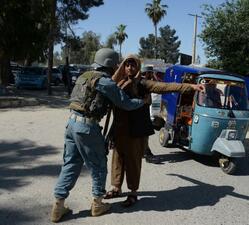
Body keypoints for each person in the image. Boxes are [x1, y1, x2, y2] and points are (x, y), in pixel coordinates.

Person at [50, 48, 146, 223]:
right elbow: (125, 103)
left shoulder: (83, 76)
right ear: (109, 64)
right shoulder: (104, 82)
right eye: (115, 65)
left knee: (71, 163)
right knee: (99, 165)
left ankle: (58, 206)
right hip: (87, 127)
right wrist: (142, 101)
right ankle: (97, 204)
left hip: (71, 124)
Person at [104, 55, 203, 207]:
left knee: (133, 163)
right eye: (127, 65)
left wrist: (190, 87)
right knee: (117, 161)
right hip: (119, 131)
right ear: (123, 67)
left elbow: (164, 87)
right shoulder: (117, 83)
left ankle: (133, 193)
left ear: (138, 68)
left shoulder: (143, 83)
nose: (130, 68)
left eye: (133, 65)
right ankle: (116, 187)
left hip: (135, 132)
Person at [140, 65, 160, 164]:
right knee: (145, 133)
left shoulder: (141, 80)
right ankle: (147, 153)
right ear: (147, 73)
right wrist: (155, 77)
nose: (152, 75)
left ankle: (144, 152)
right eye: (151, 73)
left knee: (143, 133)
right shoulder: (145, 82)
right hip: (143, 110)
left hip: (143, 109)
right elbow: (158, 86)